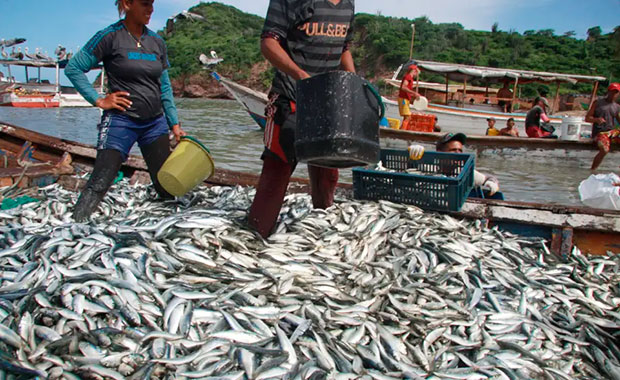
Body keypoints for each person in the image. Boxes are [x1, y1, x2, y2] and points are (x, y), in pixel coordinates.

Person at [65, 0, 186, 222]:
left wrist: (174, 124)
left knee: (165, 184)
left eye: (152, 4)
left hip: (154, 123)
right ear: (127, 4)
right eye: (145, 4)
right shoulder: (110, 36)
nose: (150, 9)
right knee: (101, 181)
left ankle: (169, 229)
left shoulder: (157, 42)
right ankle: (75, 225)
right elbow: (74, 68)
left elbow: (165, 86)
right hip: (121, 121)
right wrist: (99, 100)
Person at [247, 0, 356, 238]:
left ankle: (321, 230)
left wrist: (354, 83)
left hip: (327, 101)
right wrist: (300, 76)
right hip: (290, 97)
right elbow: (268, 43)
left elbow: (344, 47)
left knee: (327, 173)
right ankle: (256, 236)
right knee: (278, 168)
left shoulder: (348, 3)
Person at [407, 133, 500, 196]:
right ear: (439, 152)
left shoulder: (463, 172)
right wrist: (411, 156)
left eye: (460, 150)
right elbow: (407, 170)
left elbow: (488, 178)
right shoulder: (428, 167)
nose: (458, 154)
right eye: (453, 150)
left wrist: (492, 182)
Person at [586, 82, 620, 170]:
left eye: (616, 92)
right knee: (604, 150)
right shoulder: (598, 103)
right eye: (612, 92)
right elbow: (587, 118)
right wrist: (596, 120)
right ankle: (593, 170)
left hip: (611, 132)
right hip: (599, 132)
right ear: (608, 91)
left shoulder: (617, 107)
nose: (613, 94)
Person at [398, 64, 421, 130]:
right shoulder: (408, 77)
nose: (417, 75)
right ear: (414, 71)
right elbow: (403, 87)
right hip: (403, 99)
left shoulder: (409, 78)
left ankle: (401, 129)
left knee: (406, 117)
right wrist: (414, 92)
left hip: (405, 99)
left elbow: (407, 91)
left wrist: (414, 95)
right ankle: (402, 131)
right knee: (408, 117)